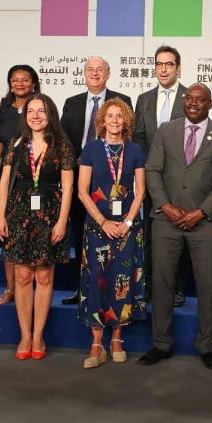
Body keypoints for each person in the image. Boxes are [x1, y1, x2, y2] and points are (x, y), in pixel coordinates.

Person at [138, 83, 212, 370]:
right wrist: (165, 206)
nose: (193, 103)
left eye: (200, 99)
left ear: (210, 104)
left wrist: (201, 212)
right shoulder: (166, 130)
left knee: (208, 284)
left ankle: (208, 345)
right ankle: (161, 343)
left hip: (205, 222)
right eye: (189, 98)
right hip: (165, 219)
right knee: (162, 282)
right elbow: (153, 170)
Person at [0, 94, 75, 360]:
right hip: (19, 214)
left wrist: (62, 221)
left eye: (41, 111)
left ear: (50, 114)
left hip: (50, 215)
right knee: (23, 277)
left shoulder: (62, 145)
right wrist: (0, 217)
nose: (36, 116)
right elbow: (4, 183)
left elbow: (68, 187)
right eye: (31, 111)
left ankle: (38, 335)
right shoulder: (16, 144)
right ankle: (25, 335)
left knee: (44, 277)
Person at [77, 98, 146, 368]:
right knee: (97, 280)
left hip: (128, 229)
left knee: (122, 281)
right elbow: (82, 191)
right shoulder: (91, 149)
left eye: (120, 116)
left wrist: (127, 222)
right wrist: (103, 221)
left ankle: (117, 339)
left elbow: (140, 191)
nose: (115, 121)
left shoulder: (135, 150)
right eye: (110, 116)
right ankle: (96, 343)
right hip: (98, 227)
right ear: (102, 121)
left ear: (126, 121)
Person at [60, 56, 132, 305]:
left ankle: (110, 289)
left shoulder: (122, 101)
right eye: (90, 69)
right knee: (80, 233)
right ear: (84, 73)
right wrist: (80, 160)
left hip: (110, 179)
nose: (94, 73)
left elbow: (128, 138)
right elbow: (64, 139)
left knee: (113, 235)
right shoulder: (72, 103)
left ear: (108, 74)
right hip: (80, 175)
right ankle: (81, 288)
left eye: (100, 69)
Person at [133, 45, 190, 307]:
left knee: (178, 234)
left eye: (169, 64)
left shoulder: (190, 97)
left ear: (178, 68)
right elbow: (139, 137)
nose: (164, 69)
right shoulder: (144, 99)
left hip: (180, 179)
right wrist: (148, 169)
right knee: (149, 234)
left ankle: (177, 288)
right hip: (150, 177)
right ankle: (149, 285)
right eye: (159, 64)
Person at [0, 64, 40, 306]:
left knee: (35, 232)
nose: (20, 84)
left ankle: (31, 287)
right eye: (15, 80)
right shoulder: (2, 112)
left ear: (34, 83)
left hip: (37, 180)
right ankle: (11, 288)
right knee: (10, 235)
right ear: (10, 84)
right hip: (9, 180)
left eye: (25, 79)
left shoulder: (41, 108)